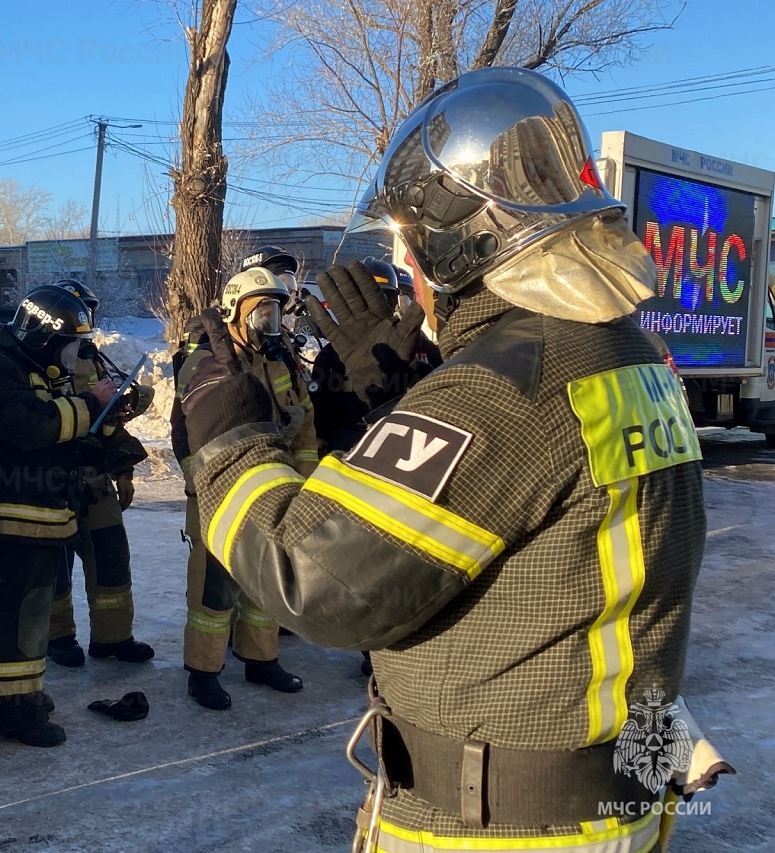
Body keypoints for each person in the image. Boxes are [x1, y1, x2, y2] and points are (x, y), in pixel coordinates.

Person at [178, 67, 721, 851]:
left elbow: (313, 575)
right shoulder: (622, 350)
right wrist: (399, 397)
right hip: (607, 792)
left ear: (462, 233)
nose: (404, 262)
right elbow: (515, 502)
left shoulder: (502, 389)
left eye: (406, 238)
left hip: (505, 824)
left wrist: (226, 440)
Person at [0, 286, 118, 746]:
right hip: (14, 518)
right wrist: (90, 404)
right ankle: (18, 713)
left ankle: (0, 696)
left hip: (42, 516)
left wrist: (105, 417)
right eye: (68, 345)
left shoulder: (28, 364)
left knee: (14, 619)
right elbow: (30, 426)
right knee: (20, 617)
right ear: (44, 337)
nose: (72, 356)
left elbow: (63, 434)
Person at [170, 267, 311, 711]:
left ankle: (260, 658)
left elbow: (302, 412)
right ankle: (203, 672)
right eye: (260, 312)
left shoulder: (277, 358)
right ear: (235, 313)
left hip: (273, 484)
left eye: (274, 312)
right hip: (221, 492)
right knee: (215, 585)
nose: (269, 322)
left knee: (265, 579)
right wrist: (203, 483)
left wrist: (302, 475)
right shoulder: (206, 361)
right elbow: (186, 433)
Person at [42, 279, 156, 668]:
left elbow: (111, 424)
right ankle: (57, 638)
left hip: (94, 478)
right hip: (55, 480)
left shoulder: (91, 357)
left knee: (110, 556)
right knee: (55, 565)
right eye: (79, 310)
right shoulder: (37, 359)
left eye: (89, 312)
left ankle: (113, 638)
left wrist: (123, 470)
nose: (85, 320)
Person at [309, 257, 442, 454]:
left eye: (386, 299)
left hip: (413, 438)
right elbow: (321, 412)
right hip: (350, 443)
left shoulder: (420, 344)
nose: (375, 312)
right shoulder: (332, 354)